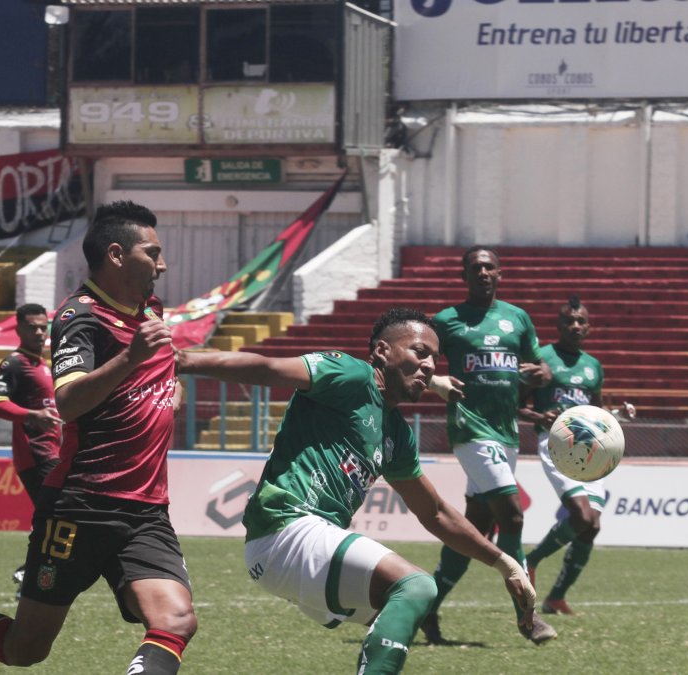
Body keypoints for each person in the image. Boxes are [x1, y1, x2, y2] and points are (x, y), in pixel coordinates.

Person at [0, 201, 195, 675]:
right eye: (151, 252)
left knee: (175, 620)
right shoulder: (80, 317)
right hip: (81, 504)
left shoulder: (149, 308)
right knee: (26, 649)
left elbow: (159, 365)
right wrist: (131, 359)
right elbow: (69, 402)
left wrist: (170, 385)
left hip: (145, 508)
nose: (162, 263)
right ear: (116, 255)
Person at [175, 307, 549, 675]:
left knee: (404, 609)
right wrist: (184, 361)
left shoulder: (397, 434)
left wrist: (506, 563)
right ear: (383, 351)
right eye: (420, 352)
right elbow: (269, 368)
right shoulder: (350, 374)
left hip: (305, 545)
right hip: (286, 528)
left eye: (435, 358)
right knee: (416, 587)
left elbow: (434, 512)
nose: (431, 365)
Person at [419, 245, 553, 646]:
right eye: (475, 267)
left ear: (499, 273)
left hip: (507, 433)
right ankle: (528, 617)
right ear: (464, 275)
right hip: (470, 430)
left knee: (475, 529)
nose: (482, 272)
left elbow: (539, 369)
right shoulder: (446, 321)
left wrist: (541, 374)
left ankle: (425, 608)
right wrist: (433, 382)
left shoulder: (518, 318)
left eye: (488, 266)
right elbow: (408, 361)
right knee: (511, 518)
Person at [522, 296, 631, 616]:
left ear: (589, 327)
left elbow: (596, 413)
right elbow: (516, 404)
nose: (575, 326)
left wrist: (617, 415)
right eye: (569, 320)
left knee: (592, 526)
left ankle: (556, 597)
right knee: (582, 517)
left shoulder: (593, 366)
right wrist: (538, 417)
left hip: (592, 448)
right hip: (557, 444)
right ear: (558, 326)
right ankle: (532, 560)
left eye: (581, 321)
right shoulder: (542, 357)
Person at [0, 303, 62, 598]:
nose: (38, 332)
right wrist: (32, 415)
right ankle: (31, 575)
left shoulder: (45, 365)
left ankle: (36, 575)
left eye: (43, 326)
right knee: (55, 516)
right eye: (31, 326)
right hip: (35, 454)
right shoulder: (15, 363)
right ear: (18, 328)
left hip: (56, 453)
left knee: (59, 517)